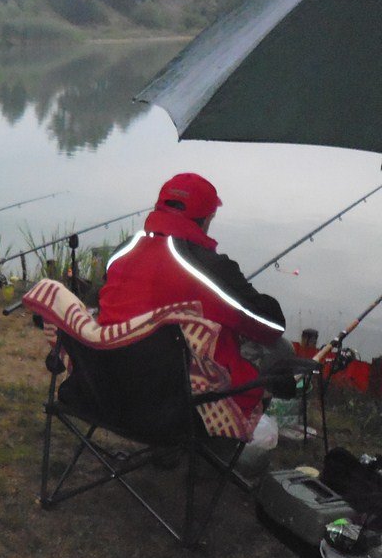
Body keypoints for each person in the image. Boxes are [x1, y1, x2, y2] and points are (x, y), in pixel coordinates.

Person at [97, 172, 288, 417]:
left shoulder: (122, 251)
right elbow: (271, 326)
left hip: (108, 386)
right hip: (177, 405)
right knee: (281, 348)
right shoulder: (210, 268)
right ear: (207, 219)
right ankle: (236, 429)